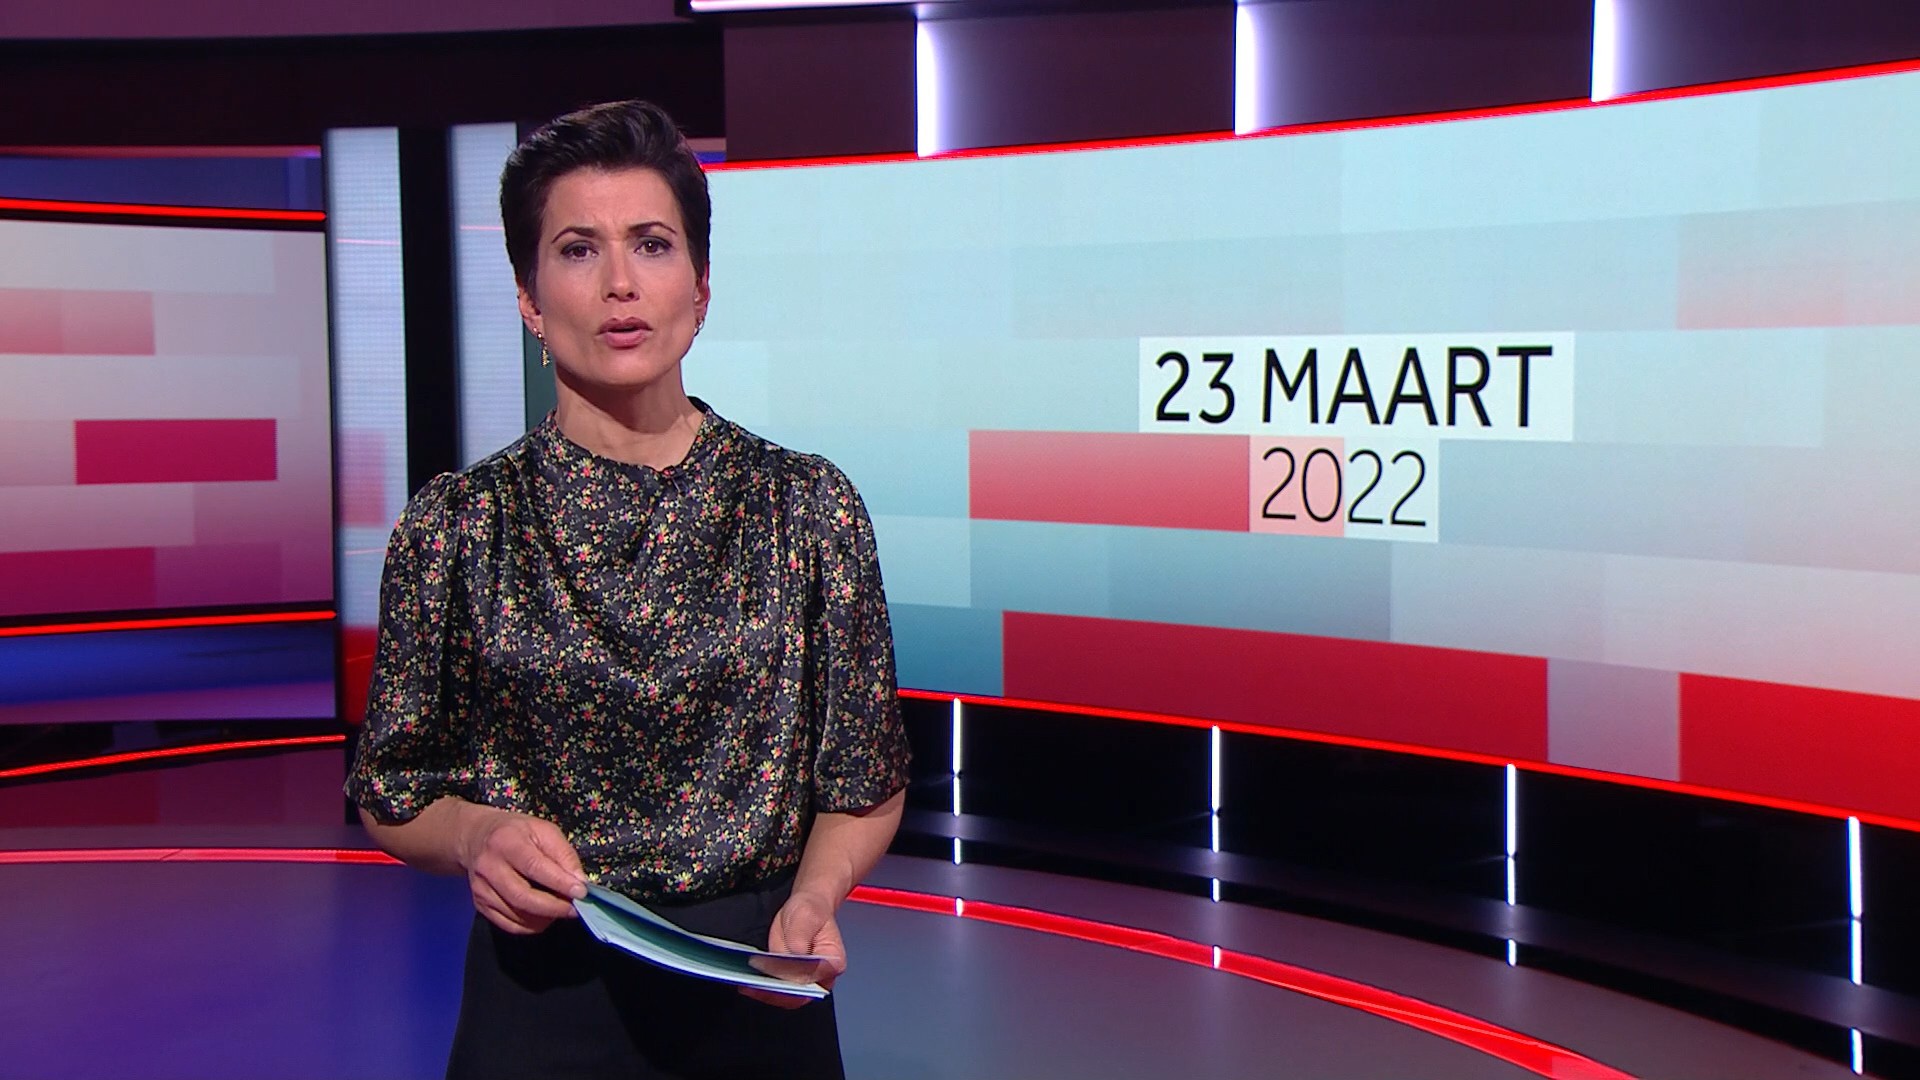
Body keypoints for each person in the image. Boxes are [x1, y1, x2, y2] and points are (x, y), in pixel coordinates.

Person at [345, 99, 910, 1080]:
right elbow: (391, 791)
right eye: (577, 250)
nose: (619, 283)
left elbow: (865, 781)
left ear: (700, 285)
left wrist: (815, 898)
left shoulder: (807, 507)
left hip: (757, 986)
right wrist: (476, 835)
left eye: (652, 244)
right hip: (539, 996)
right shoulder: (456, 528)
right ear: (528, 296)